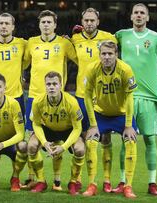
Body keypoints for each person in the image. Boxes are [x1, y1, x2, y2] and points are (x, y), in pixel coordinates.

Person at [114, 3, 157, 195]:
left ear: (148, 18)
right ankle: (122, 181)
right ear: (131, 16)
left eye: (142, 13)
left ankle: (152, 183)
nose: (139, 16)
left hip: (150, 97)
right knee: (126, 140)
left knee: (150, 139)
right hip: (127, 95)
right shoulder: (121, 35)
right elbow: (100, 44)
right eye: (136, 13)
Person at [24, 10, 78, 191]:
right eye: (43, 22)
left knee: (56, 142)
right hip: (34, 97)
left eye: (49, 22)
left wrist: (75, 39)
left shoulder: (63, 43)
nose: (46, 25)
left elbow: (81, 60)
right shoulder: (31, 42)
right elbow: (21, 64)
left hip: (57, 98)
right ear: (39, 25)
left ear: (55, 25)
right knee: (32, 140)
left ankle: (56, 180)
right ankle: (33, 178)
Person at [82, 41, 138, 198]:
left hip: (121, 114)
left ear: (116, 55)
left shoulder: (125, 69)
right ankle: (93, 184)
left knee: (131, 141)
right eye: (103, 54)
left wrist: (128, 125)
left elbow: (129, 96)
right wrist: (93, 124)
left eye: (110, 54)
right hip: (101, 114)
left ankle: (128, 186)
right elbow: (87, 95)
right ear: (99, 55)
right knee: (91, 142)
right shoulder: (92, 69)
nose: (106, 57)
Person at [70, 7, 117, 193]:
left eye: (92, 20)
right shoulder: (75, 39)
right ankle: (80, 179)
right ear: (82, 22)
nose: (89, 23)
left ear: (98, 22)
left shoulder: (109, 38)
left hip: (103, 96)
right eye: (86, 20)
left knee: (105, 137)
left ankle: (106, 180)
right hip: (82, 96)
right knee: (83, 138)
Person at [0, 12, 33, 188]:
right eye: (0, 23)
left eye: (7, 23)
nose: (3, 26)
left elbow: (27, 61)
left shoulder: (22, 43)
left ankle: (15, 177)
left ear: (13, 26)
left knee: (18, 140)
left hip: (16, 98)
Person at [27, 71, 85, 194]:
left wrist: (63, 147)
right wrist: (44, 142)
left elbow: (77, 128)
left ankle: (73, 182)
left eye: (54, 84)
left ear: (61, 85)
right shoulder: (37, 101)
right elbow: (36, 124)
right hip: (48, 128)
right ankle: (41, 181)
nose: (51, 87)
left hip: (68, 130)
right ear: (45, 85)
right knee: (31, 145)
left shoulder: (72, 102)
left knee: (80, 149)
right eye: (48, 84)